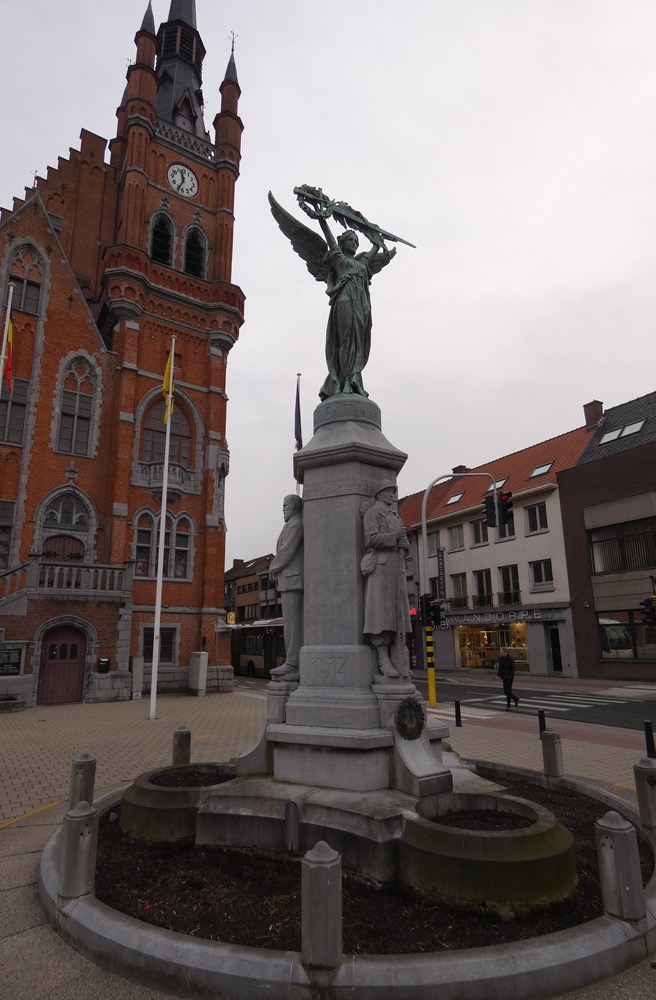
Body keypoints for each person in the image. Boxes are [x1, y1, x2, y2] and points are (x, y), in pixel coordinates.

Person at [316, 222, 395, 401]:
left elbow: (375, 248)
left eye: (356, 241)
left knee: (359, 344)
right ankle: (343, 381)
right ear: (343, 243)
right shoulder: (340, 260)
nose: (354, 243)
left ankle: (354, 380)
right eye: (350, 240)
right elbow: (329, 240)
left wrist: (377, 238)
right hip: (344, 303)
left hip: (362, 306)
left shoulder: (362, 263)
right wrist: (322, 219)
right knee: (345, 341)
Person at [361, 482, 411, 680]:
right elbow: (371, 539)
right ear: (380, 494)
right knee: (380, 615)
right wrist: (394, 537)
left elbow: (401, 540)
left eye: (393, 492)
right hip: (381, 567)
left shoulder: (394, 515)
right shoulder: (372, 514)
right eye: (389, 492)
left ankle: (399, 660)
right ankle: (383, 661)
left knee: (397, 614)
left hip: (396, 567)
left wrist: (404, 543)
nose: (392, 495)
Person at [269, 495, 304, 681]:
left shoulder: (296, 525)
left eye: (285, 505)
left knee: (292, 623)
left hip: (292, 579)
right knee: (289, 623)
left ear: (294, 506)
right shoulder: (290, 525)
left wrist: (273, 567)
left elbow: (287, 551)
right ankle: (292, 660)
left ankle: (293, 662)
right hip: (287, 579)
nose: (283, 509)